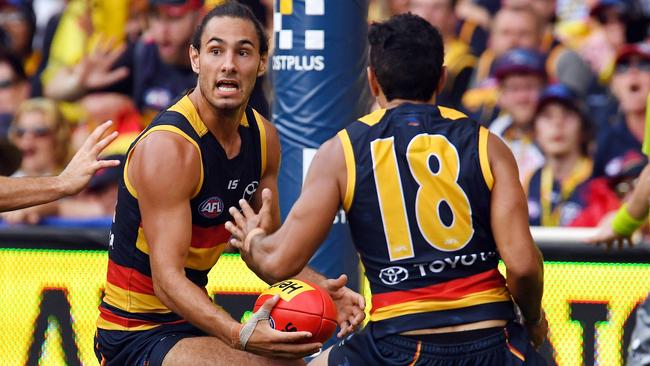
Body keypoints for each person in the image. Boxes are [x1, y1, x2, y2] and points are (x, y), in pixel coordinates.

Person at [226, 13, 547, 365]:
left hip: (400, 346)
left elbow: (281, 261)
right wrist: (532, 320)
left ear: (372, 81)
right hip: (492, 340)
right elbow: (523, 266)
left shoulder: (343, 150)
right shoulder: (488, 145)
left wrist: (253, 239)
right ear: (441, 78)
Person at [93, 3, 364, 365]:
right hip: (135, 332)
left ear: (262, 63)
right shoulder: (170, 148)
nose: (229, 65)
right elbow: (167, 282)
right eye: (216, 50)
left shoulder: (264, 139)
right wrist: (239, 335)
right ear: (195, 59)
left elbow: (265, 253)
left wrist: (322, 288)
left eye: (244, 52)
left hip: (190, 321)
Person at [0, 119, 119, 211]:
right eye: (20, 132)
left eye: (40, 132)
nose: (28, 138)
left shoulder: (79, 176)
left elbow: (104, 210)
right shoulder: (69, 179)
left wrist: (53, 206)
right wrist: (62, 182)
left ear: (59, 139)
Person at [525, 84, 594, 227]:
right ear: (535, 131)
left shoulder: (598, 177)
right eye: (547, 116)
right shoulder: (530, 180)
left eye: (567, 114)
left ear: (583, 127)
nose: (557, 123)